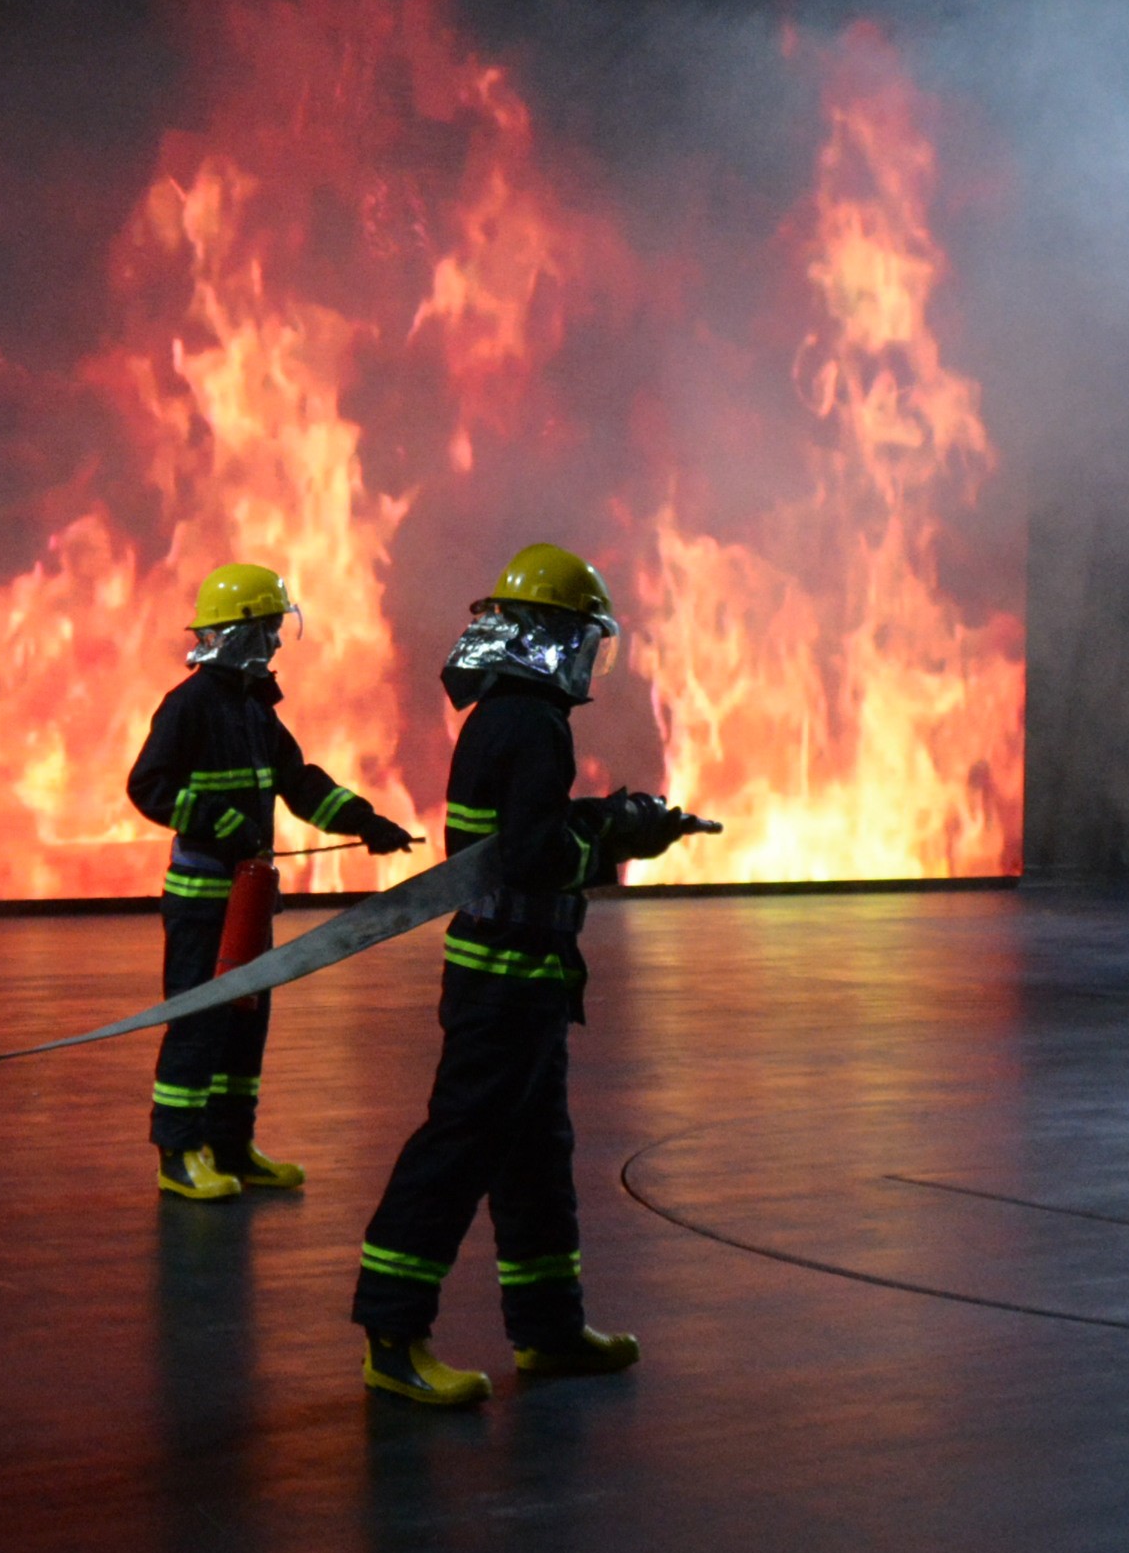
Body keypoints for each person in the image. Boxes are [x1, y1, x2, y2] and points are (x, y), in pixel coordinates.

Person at [351, 544, 704, 1406]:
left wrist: (610, 814)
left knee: (536, 1155)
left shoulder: (505, 715)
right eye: (583, 636)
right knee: (460, 1146)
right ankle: (393, 1337)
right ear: (552, 636)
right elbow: (537, 855)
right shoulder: (535, 725)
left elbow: (522, 831)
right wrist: (621, 839)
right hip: (507, 980)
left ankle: (549, 1329)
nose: (589, 655)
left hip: (523, 978)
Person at [126, 562, 415, 1201]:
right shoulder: (191, 705)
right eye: (271, 629)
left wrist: (366, 821)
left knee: (244, 1023)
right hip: (204, 900)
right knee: (198, 1020)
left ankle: (231, 1145)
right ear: (242, 632)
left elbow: (299, 780)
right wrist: (217, 822)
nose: (280, 642)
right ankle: (178, 1154)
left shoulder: (254, 710)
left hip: (249, 901)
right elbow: (148, 786)